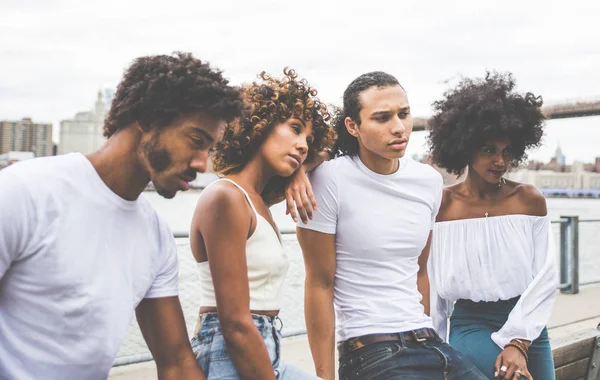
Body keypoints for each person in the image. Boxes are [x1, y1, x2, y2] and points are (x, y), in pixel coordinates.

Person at [0, 52, 244, 380]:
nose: (203, 164)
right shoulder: (23, 193)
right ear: (146, 118)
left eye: (210, 150)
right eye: (196, 140)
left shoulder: (155, 234)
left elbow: (176, 362)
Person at [295, 71, 487, 380]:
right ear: (352, 126)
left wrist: (432, 334)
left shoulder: (428, 181)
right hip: (371, 350)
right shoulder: (329, 179)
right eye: (382, 118)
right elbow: (319, 283)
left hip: (430, 344)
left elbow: (419, 271)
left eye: (404, 114)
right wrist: (324, 378)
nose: (399, 128)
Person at [189, 68, 335, 379]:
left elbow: (330, 147)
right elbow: (235, 324)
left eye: (307, 138)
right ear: (259, 125)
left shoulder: (259, 201)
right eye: (294, 129)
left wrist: (299, 171)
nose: (303, 145)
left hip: (265, 347)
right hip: (229, 353)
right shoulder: (226, 199)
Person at [427, 72, 558, 380]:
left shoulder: (529, 200)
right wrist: (434, 351)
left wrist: (519, 340)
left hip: (529, 328)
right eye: (488, 150)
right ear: (465, 147)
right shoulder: (440, 207)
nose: (500, 160)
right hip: (471, 325)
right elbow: (433, 288)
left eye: (507, 151)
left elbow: (546, 276)